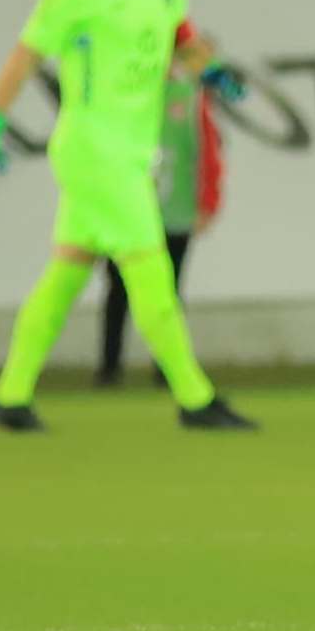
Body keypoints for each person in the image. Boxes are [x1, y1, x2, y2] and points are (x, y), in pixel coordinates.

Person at [0, 0, 257, 433]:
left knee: (66, 274)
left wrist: (211, 69)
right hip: (95, 150)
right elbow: (25, 56)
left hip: (130, 152)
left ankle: (11, 395)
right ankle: (195, 399)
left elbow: (179, 36)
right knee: (152, 273)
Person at [98, 60, 224, 387]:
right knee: (119, 290)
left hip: (175, 213)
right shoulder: (120, 99)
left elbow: (207, 152)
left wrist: (208, 202)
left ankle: (166, 368)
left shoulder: (190, 98)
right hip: (127, 215)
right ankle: (109, 368)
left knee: (168, 294)